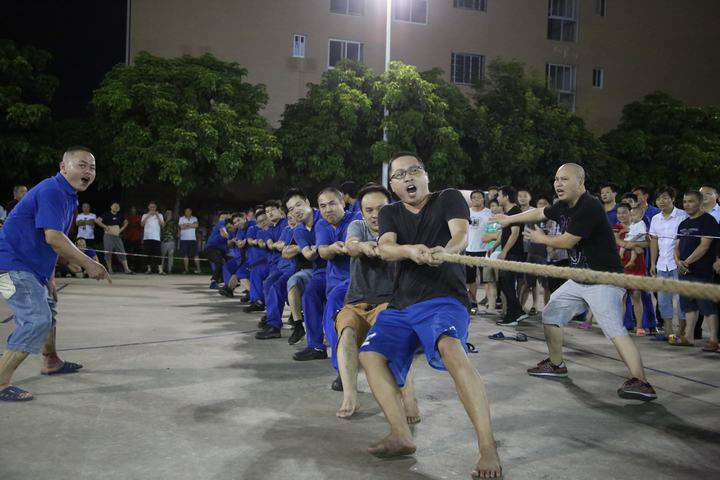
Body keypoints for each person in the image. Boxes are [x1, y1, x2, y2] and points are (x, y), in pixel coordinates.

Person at [358, 153, 501, 478]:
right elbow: (386, 247)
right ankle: (400, 435)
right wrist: (409, 251)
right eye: (399, 175)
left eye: (414, 170)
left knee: (451, 348)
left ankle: (488, 446)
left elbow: (460, 235)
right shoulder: (391, 212)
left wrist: (445, 252)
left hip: (444, 299)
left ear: (426, 175)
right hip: (401, 304)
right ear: (393, 186)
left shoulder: (447, 198)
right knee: (370, 356)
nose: (408, 178)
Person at [497, 163, 657, 401]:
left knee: (614, 329)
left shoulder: (589, 205)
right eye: (556, 179)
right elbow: (539, 213)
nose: (557, 184)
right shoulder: (563, 205)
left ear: (580, 183)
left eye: (564, 179)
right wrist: (509, 219)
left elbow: (568, 241)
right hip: (580, 278)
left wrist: (542, 238)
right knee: (551, 314)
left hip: (604, 279)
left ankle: (641, 382)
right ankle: (556, 364)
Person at [0, 147, 110, 402]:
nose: (88, 171)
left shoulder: (67, 195)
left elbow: (46, 241)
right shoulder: (53, 191)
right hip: (9, 268)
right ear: (63, 167)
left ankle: (51, 361)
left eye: (92, 168)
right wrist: (89, 264)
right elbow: (54, 238)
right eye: (81, 165)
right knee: (36, 319)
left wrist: (49, 278)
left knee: (48, 307)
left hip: (27, 268)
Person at [335, 183, 419, 422]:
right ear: (362, 212)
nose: (374, 215)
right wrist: (363, 246)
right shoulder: (357, 226)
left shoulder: (401, 229)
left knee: (396, 341)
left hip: (388, 302)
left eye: (380, 209)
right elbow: (351, 245)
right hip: (356, 302)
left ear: (390, 207)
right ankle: (350, 396)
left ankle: (409, 398)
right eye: (369, 210)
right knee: (347, 333)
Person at [672, 191, 719, 349]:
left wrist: (686, 262)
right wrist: (678, 262)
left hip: (702, 271)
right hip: (684, 271)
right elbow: (676, 247)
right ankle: (689, 337)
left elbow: (704, 246)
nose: (687, 205)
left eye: (691, 201)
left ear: (699, 203)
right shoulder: (683, 224)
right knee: (688, 306)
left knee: (707, 305)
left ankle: (713, 340)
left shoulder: (708, 221)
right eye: (685, 201)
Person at [648, 187, 688, 341]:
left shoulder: (682, 216)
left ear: (673, 199)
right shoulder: (655, 219)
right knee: (663, 300)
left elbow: (684, 241)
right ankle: (668, 332)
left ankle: (682, 333)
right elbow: (654, 241)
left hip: (678, 264)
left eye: (665, 197)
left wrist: (681, 260)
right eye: (658, 199)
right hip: (661, 264)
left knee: (682, 299)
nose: (661, 201)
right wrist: (653, 263)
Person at [613, 204, 647, 336]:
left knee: (636, 295)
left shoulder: (639, 225)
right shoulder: (616, 227)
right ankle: (619, 327)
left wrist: (636, 244)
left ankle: (639, 327)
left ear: (630, 213)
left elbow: (647, 243)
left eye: (624, 212)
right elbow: (615, 241)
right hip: (620, 265)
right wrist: (632, 246)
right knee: (621, 297)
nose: (621, 215)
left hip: (637, 264)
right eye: (619, 213)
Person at [496, 186, 525, 326]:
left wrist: (505, 251)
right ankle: (518, 311)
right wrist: (495, 246)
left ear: (506, 197)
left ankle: (512, 316)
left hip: (513, 253)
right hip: (509, 253)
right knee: (504, 283)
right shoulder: (508, 213)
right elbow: (505, 233)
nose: (497, 198)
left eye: (499, 195)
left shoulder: (515, 212)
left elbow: (515, 233)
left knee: (507, 283)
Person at [466, 190, 492, 314]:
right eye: (474, 197)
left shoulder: (489, 213)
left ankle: (490, 305)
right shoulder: (466, 212)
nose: (476, 199)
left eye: (479, 197)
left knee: (486, 280)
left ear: (483, 199)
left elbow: (494, 230)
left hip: (484, 250)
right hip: (469, 250)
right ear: (471, 200)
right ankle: (473, 303)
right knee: (470, 280)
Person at [96, 202, 133, 274]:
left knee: (122, 252)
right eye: (114, 206)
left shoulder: (120, 215)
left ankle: (126, 269)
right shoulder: (106, 214)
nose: (116, 207)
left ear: (119, 208)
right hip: (108, 236)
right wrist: (105, 227)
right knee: (108, 252)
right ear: (111, 207)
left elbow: (126, 222)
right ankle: (110, 269)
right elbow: (97, 220)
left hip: (117, 236)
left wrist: (121, 230)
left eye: (117, 206)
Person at [482, 199, 503, 312]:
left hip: (500, 253)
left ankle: (505, 308)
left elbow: (503, 236)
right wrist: (496, 235)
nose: (493, 208)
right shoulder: (489, 222)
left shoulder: (505, 220)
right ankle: (491, 307)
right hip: (488, 254)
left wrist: (492, 236)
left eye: (495, 205)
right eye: (491, 206)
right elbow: (484, 238)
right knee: (490, 281)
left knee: (502, 282)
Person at [204, 212, 231, 289]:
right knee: (219, 262)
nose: (223, 219)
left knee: (230, 262)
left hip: (220, 250)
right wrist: (229, 237)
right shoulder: (221, 223)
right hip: (211, 248)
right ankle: (214, 282)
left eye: (225, 217)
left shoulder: (229, 228)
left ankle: (229, 281)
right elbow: (224, 233)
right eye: (222, 217)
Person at [141, 201, 165, 274]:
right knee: (147, 254)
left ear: (156, 207)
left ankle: (160, 270)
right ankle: (149, 269)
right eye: (151, 207)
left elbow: (163, 225)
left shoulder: (160, 215)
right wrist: (148, 215)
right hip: (147, 238)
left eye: (154, 207)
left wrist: (157, 215)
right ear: (148, 207)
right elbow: (142, 224)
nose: (152, 208)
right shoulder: (145, 215)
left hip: (156, 238)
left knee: (158, 254)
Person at [178, 208, 201, 274]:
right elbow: (181, 227)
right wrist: (191, 225)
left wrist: (186, 225)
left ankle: (199, 270)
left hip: (193, 239)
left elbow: (196, 225)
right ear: (184, 212)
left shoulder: (194, 218)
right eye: (186, 211)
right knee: (185, 255)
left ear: (191, 212)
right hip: (184, 239)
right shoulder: (181, 218)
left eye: (189, 211)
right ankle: (186, 270)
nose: (187, 212)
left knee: (196, 255)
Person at [123, 206, 143, 272]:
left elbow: (141, 227)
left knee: (137, 252)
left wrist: (141, 237)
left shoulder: (139, 217)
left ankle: (137, 267)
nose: (133, 210)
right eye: (132, 209)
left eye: (134, 209)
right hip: (128, 237)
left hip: (137, 237)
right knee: (128, 252)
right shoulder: (127, 216)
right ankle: (128, 267)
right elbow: (124, 226)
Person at [161, 209, 178, 274]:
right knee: (163, 256)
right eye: (167, 213)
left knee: (171, 255)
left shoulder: (174, 222)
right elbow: (162, 229)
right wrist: (166, 221)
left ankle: (170, 270)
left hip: (171, 241)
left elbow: (176, 231)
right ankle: (161, 269)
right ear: (165, 215)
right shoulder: (162, 221)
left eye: (170, 213)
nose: (169, 215)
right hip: (164, 241)